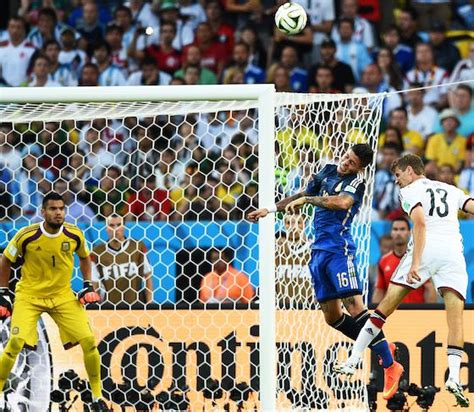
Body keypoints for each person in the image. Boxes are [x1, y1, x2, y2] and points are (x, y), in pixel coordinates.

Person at [247, 144, 403, 401]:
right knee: (332, 318)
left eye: (352, 163)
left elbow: (341, 203)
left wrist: (308, 200)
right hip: (318, 253)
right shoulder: (328, 171)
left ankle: (389, 364)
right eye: (346, 157)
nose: (345, 163)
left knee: (355, 307)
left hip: (339, 252)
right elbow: (301, 193)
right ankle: (382, 344)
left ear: (360, 168)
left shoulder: (356, 184)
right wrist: (270, 210)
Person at [335, 154, 474, 408]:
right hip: (454, 251)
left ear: (409, 171)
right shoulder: (450, 188)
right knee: (455, 317)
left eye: (398, 175)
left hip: (427, 248)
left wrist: (416, 263)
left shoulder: (410, 190)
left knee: (384, 308)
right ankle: (454, 376)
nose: (397, 181)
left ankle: (354, 357)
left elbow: (420, 223)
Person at [0, 192, 108, 411]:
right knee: (14, 344)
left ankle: (98, 397)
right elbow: (6, 260)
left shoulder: (74, 234)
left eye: (61, 209)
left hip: (62, 295)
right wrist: (3, 292)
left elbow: (85, 257)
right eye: (53, 209)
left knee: (89, 341)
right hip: (29, 296)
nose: (58, 213)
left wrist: (88, 285)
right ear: (43, 212)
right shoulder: (26, 235)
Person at [91, 214, 153, 306]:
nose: (115, 229)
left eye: (119, 225)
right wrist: (95, 308)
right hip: (110, 308)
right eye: (111, 225)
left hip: (136, 306)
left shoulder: (137, 247)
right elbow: (95, 284)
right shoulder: (97, 252)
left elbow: (147, 276)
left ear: (124, 226)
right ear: (106, 228)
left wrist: (150, 305)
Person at [372, 217, 437, 304]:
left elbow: (430, 290)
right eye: (395, 229)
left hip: (417, 312)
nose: (398, 233)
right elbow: (379, 290)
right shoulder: (384, 261)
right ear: (391, 233)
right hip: (393, 314)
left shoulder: (419, 259)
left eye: (402, 229)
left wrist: (429, 313)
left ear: (409, 232)